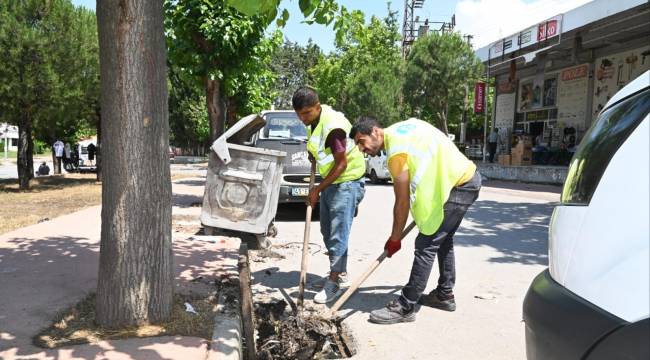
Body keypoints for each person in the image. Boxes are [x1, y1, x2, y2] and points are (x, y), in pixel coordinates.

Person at [350, 117, 481, 324]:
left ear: (375, 131)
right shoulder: (404, 128)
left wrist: (395, 238)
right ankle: (444, 294)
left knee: (426, 244)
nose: (360, 149)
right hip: (465, 179)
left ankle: (406, 305)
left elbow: (401, 202)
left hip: (457, 185)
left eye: (361, 141)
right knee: (442, 239)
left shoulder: (396, 155)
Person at [292, 87, 366, 304]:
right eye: (299, 114)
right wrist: (312, 152)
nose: (302, 118)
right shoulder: (313, 122)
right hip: (332, 181)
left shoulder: (334, 127)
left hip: (346, 181)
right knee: (328, 229)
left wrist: (317, 189)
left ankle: (334, 281)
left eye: (306, 113)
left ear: (318, 106)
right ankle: (339, 272)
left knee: (338, 233)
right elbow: (320, 146)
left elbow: (341, 164)